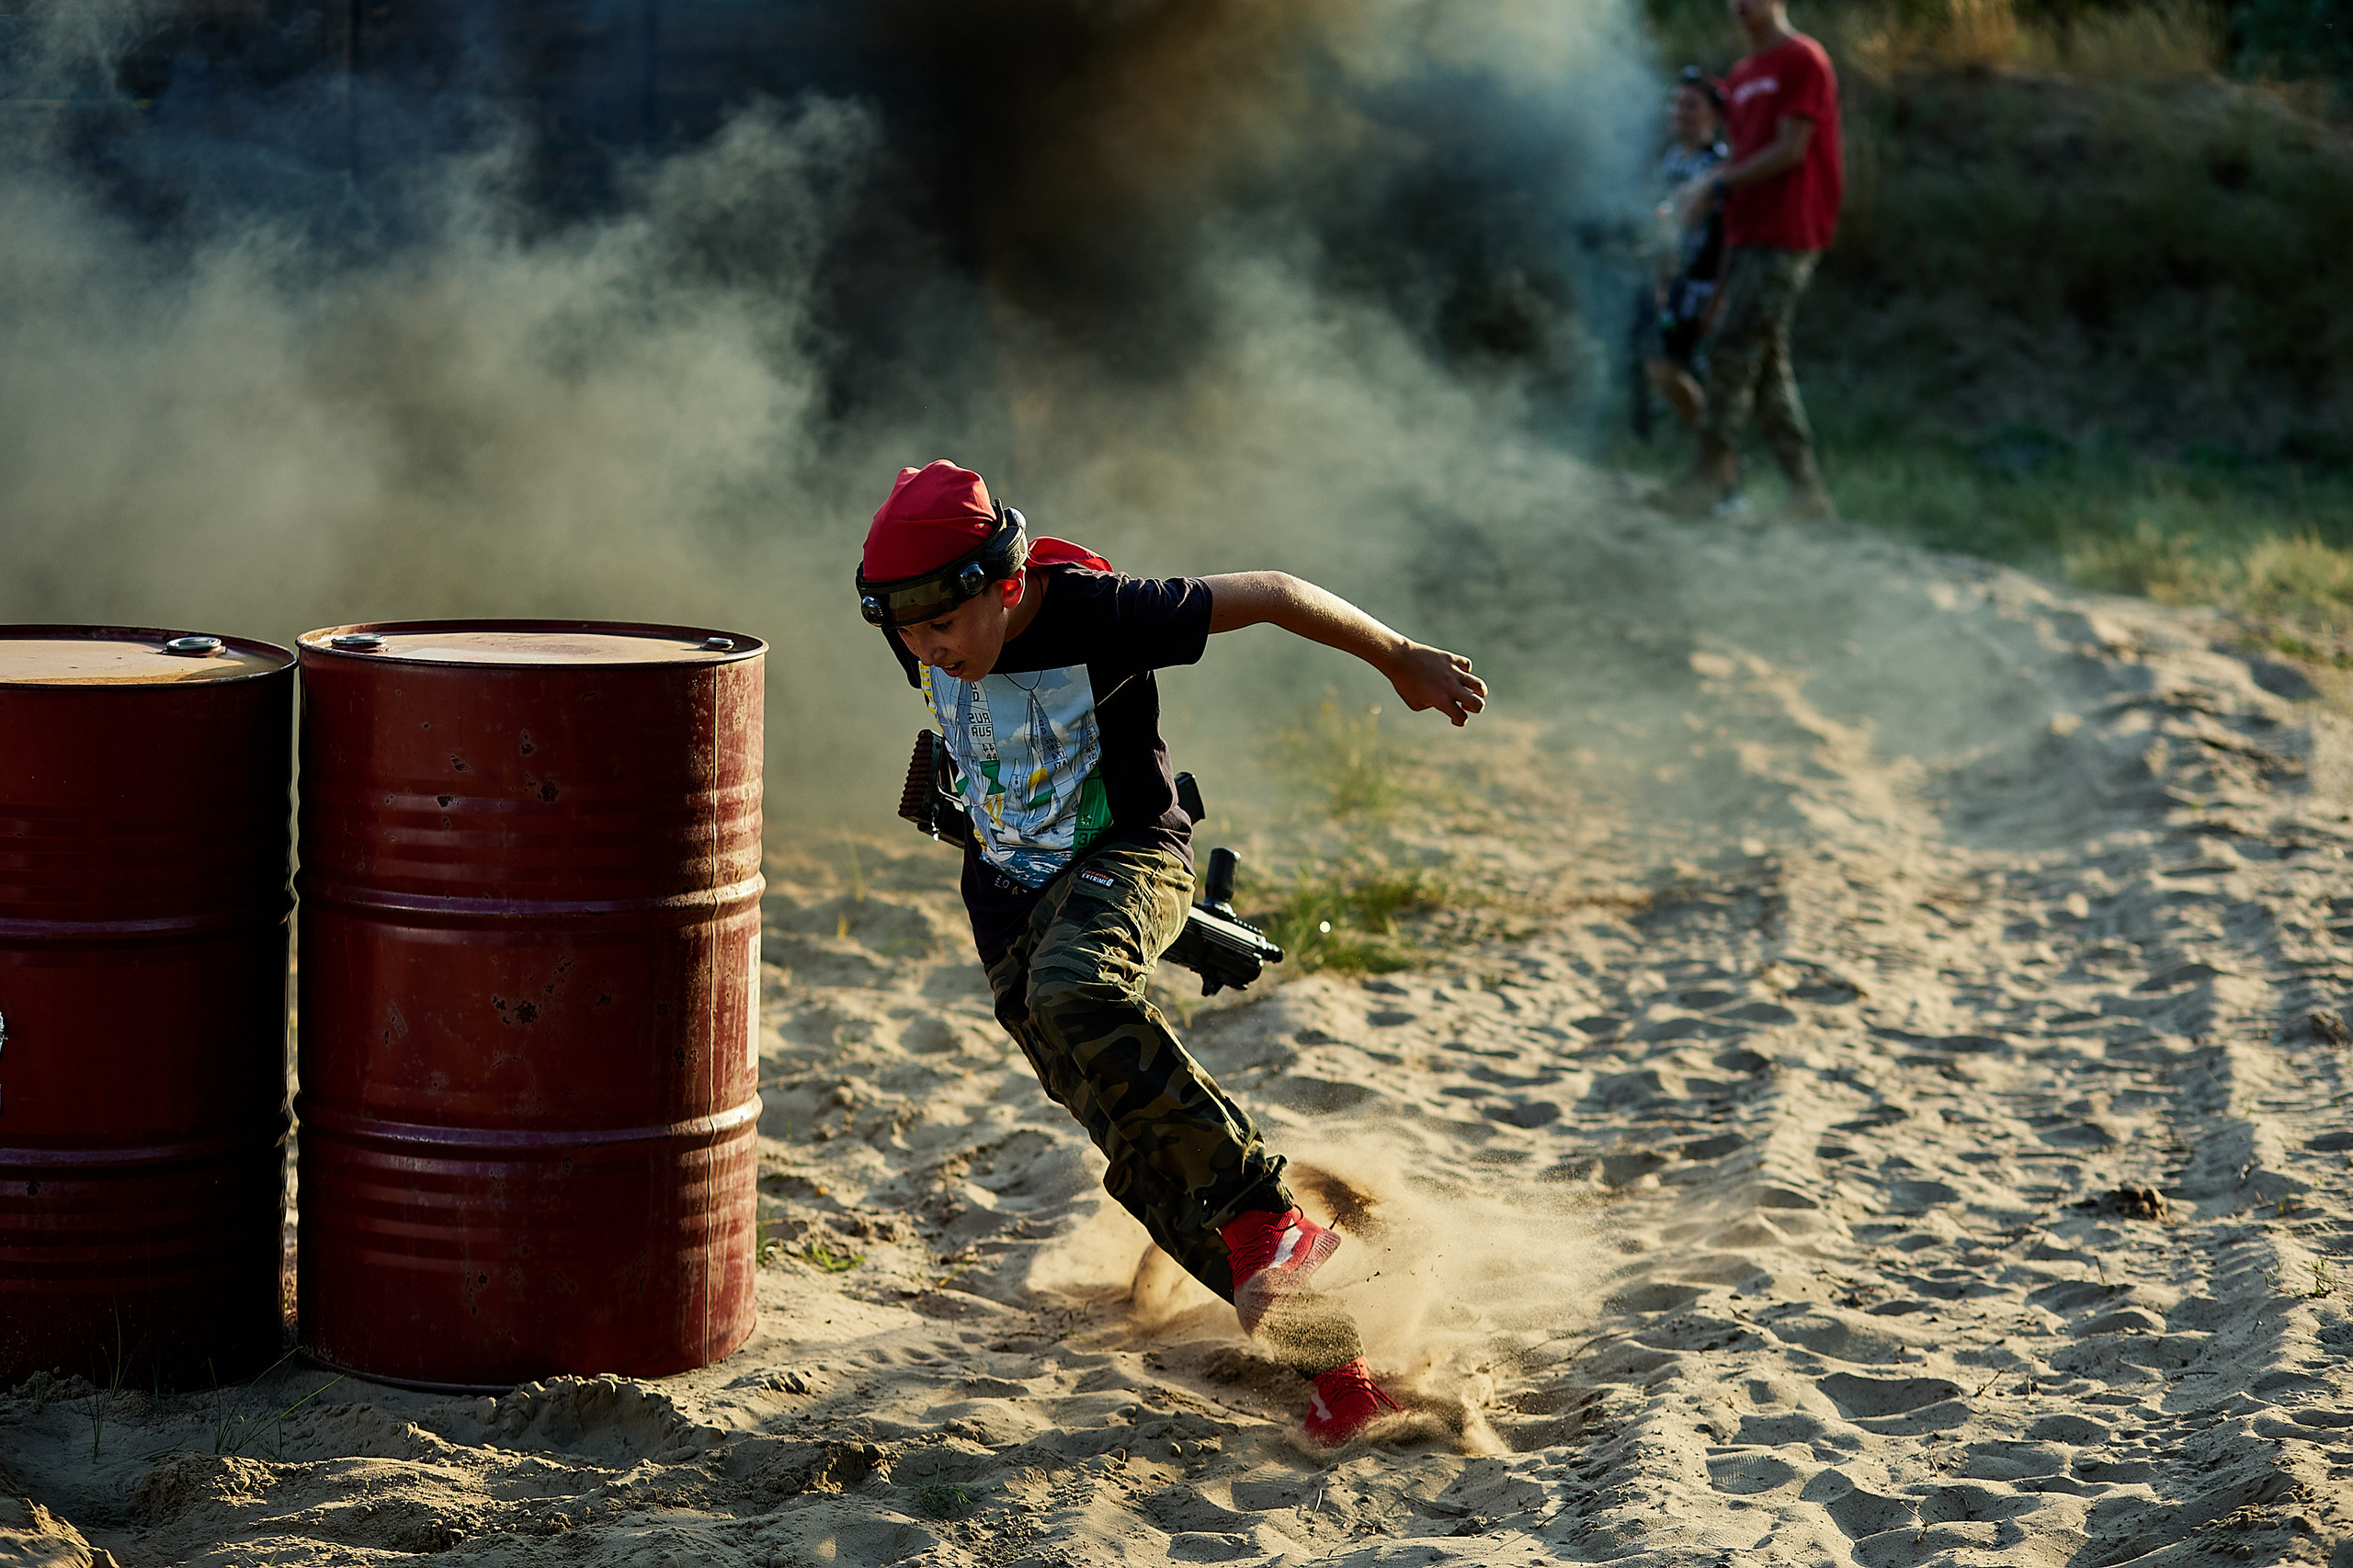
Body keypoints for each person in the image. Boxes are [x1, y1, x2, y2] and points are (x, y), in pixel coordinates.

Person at [855, 460, 1487, 1447]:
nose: (928, 647)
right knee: (1139, 1143)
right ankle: (1340, 1367)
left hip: (1129, 858)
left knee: (1076, 990)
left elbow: (1273, 595)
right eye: (908, 629)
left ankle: (1274, 1218)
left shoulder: (1099, 612)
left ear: (1007, 583)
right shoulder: (927, 635)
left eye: (943, 624)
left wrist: (1399, 654)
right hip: (1009, 901)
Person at [1657, 0, 1843, 520]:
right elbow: (1739, 156)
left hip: (1788, 233)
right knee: (1766, 370)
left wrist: (1711, 182)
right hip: (1744, 234)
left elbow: (1790, 149)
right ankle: (1807, 493)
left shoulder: (1802, 59)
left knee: (1731, 352)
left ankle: (1706, 478)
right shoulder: (1741, 76)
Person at [1643, 68, 1731, 435]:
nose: (1680, 111)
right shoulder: (1671, 162)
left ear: (1713, 114)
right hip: (1676, 284)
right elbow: (1664, 227)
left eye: (1691, 105)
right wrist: (1660, 281)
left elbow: (1730, 235)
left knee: (1672, 367)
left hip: (1705, 286)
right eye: (1676, 103)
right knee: (1660, 366)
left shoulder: (1721, 166)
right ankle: (1713, 455)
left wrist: (1719, 297)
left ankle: (1721, 461)